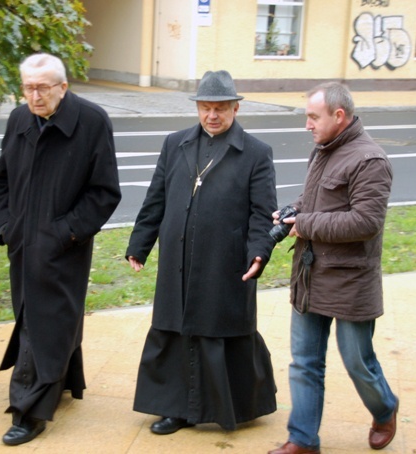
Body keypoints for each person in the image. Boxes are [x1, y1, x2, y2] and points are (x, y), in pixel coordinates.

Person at [125, 70, 278, 434]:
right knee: (174, 331)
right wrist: (140, 244)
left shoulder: (256, 153)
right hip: (176, 261)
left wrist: (259, 251)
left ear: (236, 108)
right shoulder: (174, 143)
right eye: (206, 108)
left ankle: (234, 407)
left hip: (224, 264)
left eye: (221, 108)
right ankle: (174, 409)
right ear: (197, 108)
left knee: (217, 330)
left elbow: (263, 213)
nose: (212, 115)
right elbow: (156, 199)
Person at [0, 53, 121, 446]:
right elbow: (0, 181)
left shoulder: (91, 122)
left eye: (43, 88)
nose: (34, 96)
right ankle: (61, 381)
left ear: (63, 86)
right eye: (28, 87)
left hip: (65, 248)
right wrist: (5, 226)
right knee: (38, 317)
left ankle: (28, 410)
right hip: (23, 245)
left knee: (47, 322)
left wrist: (65, 234)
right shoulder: (18, 119)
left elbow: (104, 192)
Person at [268, 82, 398, 454]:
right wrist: (293, 211)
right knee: (305, 362)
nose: (307, 125)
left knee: (358, 361)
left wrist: (304, 224)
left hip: (351, 281)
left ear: (338, 116)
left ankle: (385, 407)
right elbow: (315, 199)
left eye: (313, 117)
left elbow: (365, 222)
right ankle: (303, 440)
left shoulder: (369, 160)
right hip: (311, 275)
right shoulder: (323, 150)